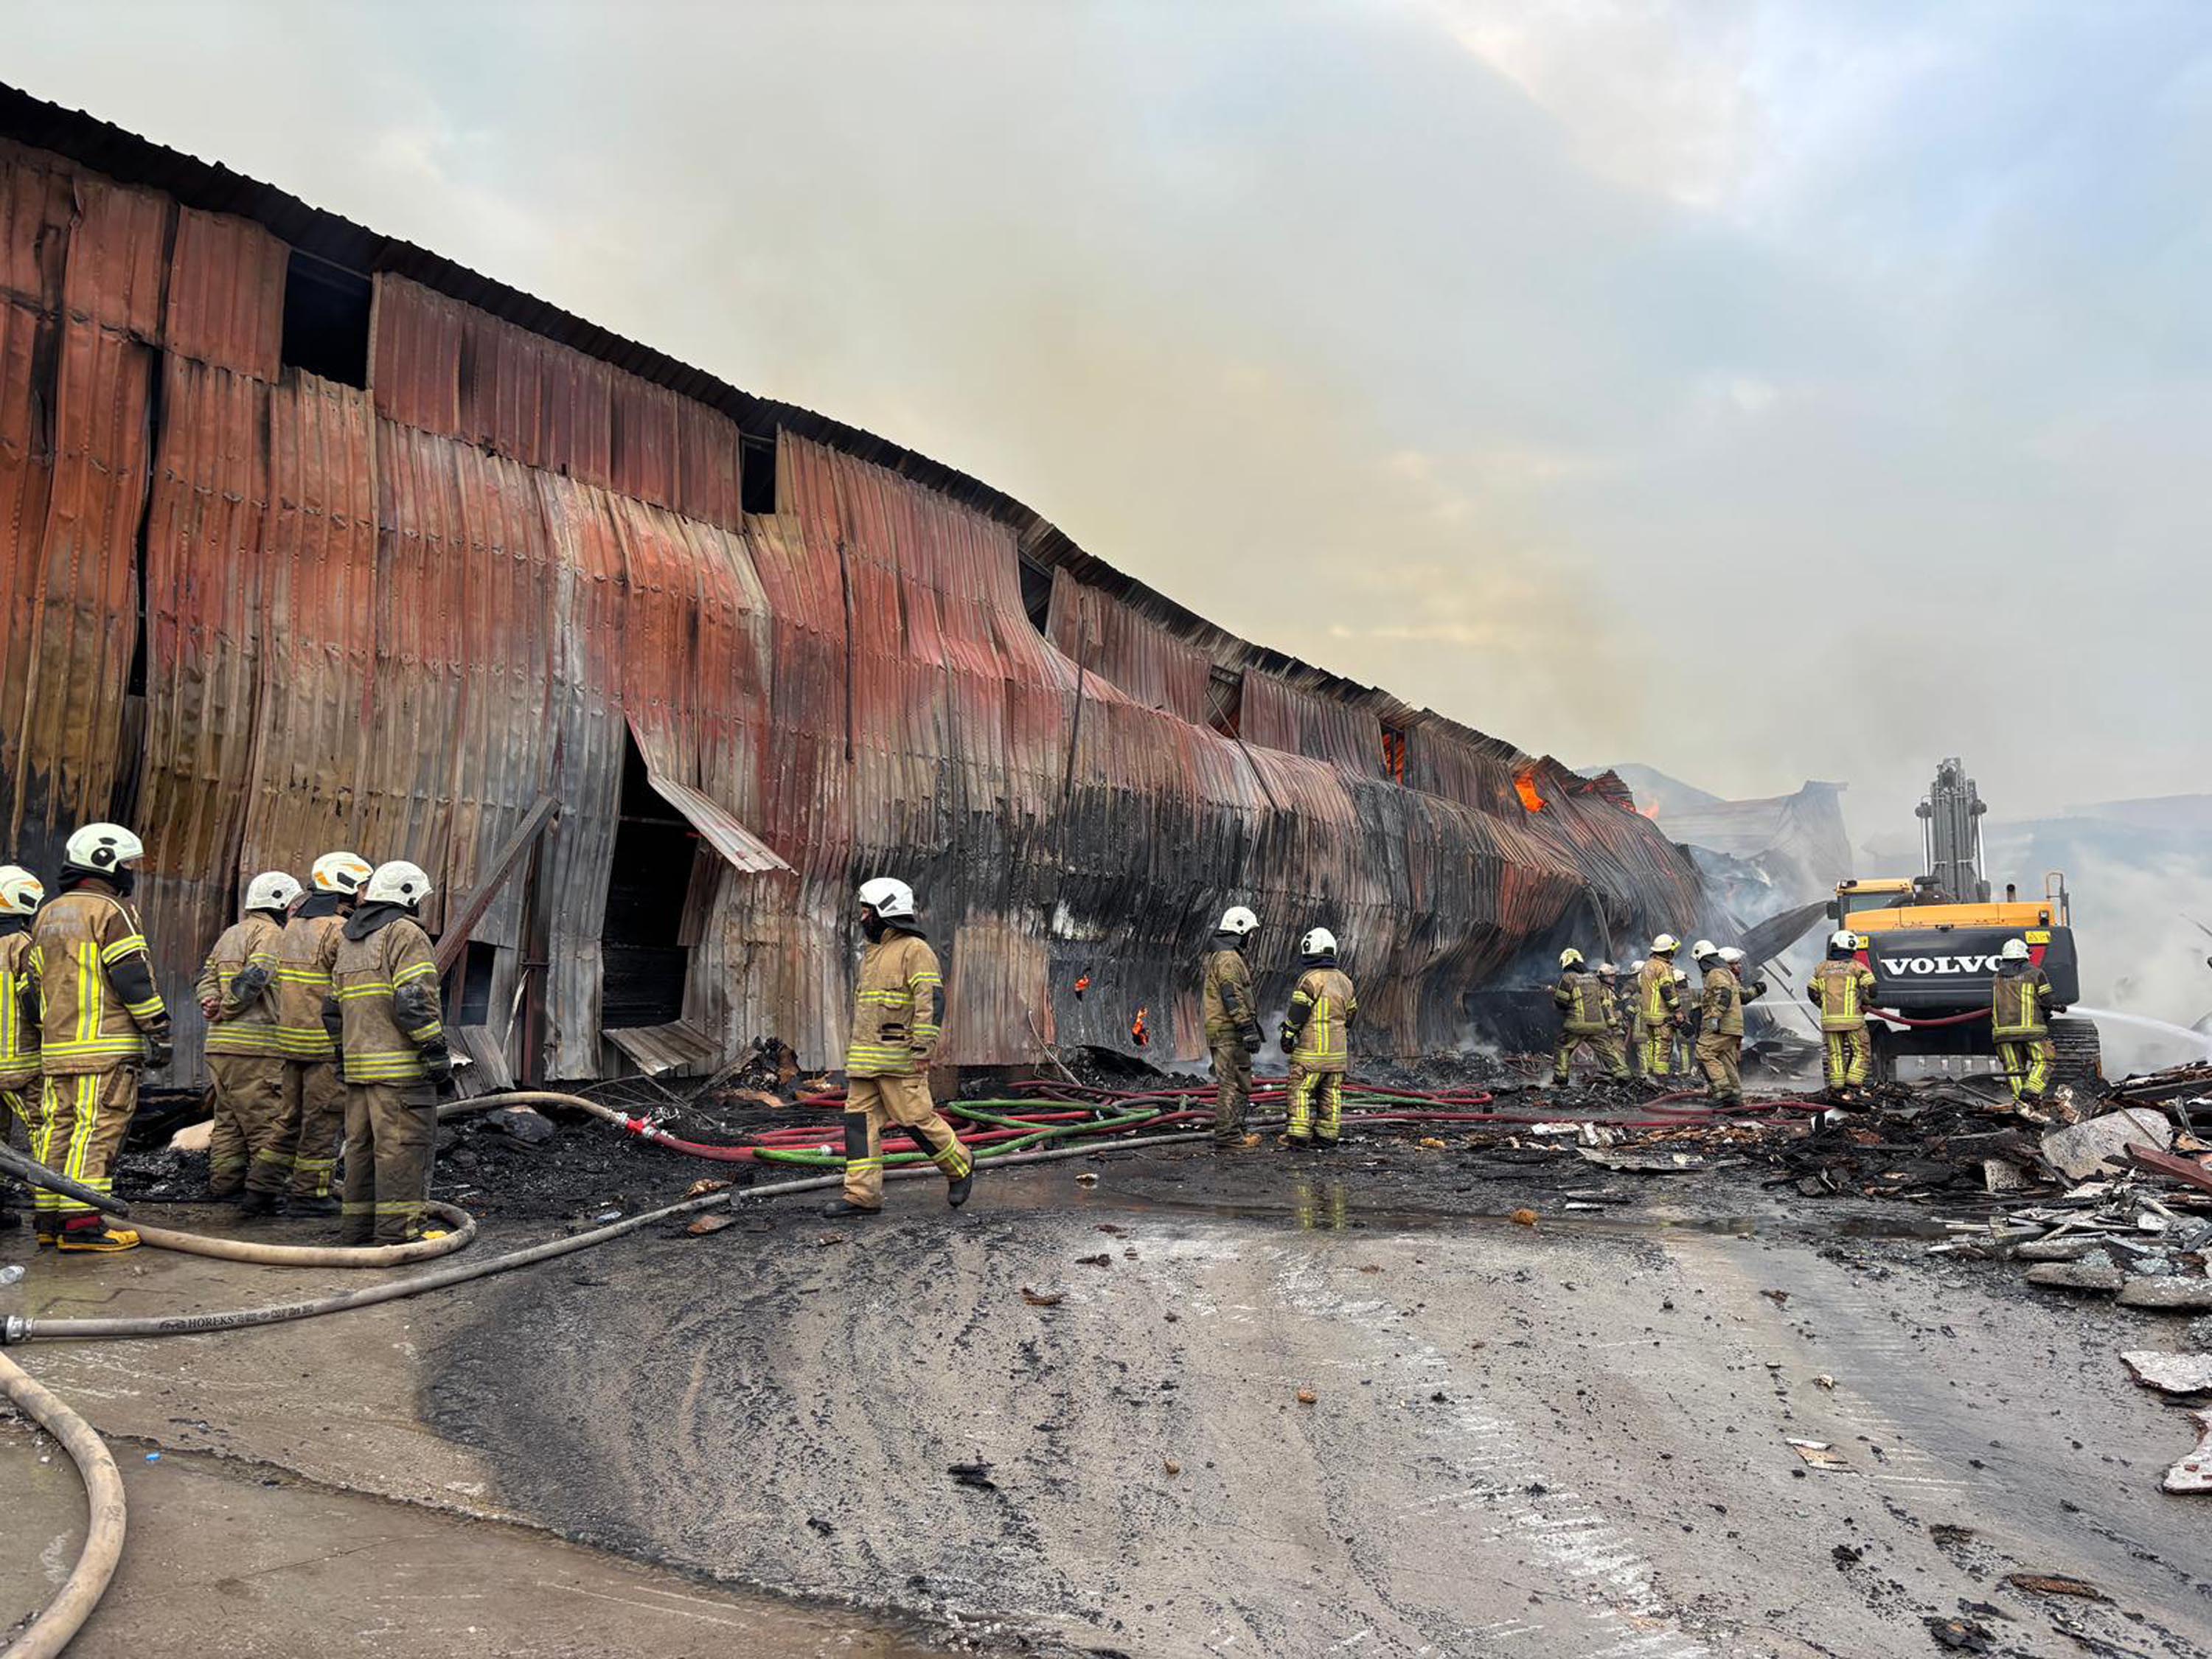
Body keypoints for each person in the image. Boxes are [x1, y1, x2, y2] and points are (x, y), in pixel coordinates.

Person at [32, 824, 169, 1251]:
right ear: (106, 862)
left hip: (57, 1049)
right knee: (96, 1130)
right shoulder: (112, 911)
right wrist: (158, 1027)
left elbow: (35, 983)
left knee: (58, 1129)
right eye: (127, 864)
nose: (131, 872)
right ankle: (82, 1226)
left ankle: (49, 1219)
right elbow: (131, 977)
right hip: (104, 1049)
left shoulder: (48, 914)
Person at [825, 877, 973, 1217]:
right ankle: (862, 1195)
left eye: (867, 912)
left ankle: (960, 1164)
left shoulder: (915, 951)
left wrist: (923, 1049)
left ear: (884, 912)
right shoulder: (873, 955)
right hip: (864, 1063)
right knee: (859, 1128)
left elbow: (930, 1002)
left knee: (916, 1120)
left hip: (900, 1059)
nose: (862, 918)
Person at [324, 860, 450, 1245]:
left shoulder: (349, 938)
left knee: (361, 1151)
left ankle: (357, 1230)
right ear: (408, 895)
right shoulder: (405, 934)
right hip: (400, 1074)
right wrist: (434, 1050)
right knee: (401, 1150)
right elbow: (413, 1000)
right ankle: (398, 1234)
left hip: (360, 1071)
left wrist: (344, 1056)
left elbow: (331, 1009)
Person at [274, 852, 372, 1214]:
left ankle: (262, 1187)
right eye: (362, 885)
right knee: (323, 1119)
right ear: (344, 884)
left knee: (288, 1119)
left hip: (290, 1041)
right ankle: (309, 1195)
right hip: (323, 1044)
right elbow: (347, 986)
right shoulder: (337, 929)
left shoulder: (294, 925)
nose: (365, 893)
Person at [198, 871, 302, 1212]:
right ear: (282, 903)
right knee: (265, 1121)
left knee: (228, 1119)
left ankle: (225, 1185)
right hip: (255, 1047)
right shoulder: (271, 934)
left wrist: (211, 1003)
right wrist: (227, 1007)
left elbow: (206, 977)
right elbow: (257, 975)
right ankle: (266, 1193)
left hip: (220, 1047)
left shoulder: (231, 933)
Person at [1281, 928, 1357, 1149]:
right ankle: (1327, 1136)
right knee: (1331, 1093)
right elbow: (1351, 1014)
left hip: (1311, 1054)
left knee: (1301, 1089)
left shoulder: (1309, 980)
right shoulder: (1345, 981)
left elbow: (1298, 1012)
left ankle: (1298, 1135)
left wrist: (1288, 1035)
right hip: (1337, 1056)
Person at [0, 866, 44, 1231]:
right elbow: (34, 1003)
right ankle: (52, 1208)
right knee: (44, 1132)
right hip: (21, 1065)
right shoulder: (24, 948)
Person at [1201, 905, 1264, 1148]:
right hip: (1230, 1032)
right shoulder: (1228, 959)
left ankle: (1235, 1131)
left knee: (1237, 1081)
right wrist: (1247, 1028)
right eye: (1249, 932)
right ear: (1240, 930)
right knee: (1233, 1083)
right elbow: (1232, 996)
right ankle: (1229, 1137)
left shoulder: (1228, 956)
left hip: (1227, 1031)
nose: (1250, 937)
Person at [1807, 931, 1878, 1099]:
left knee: (1835, 1054)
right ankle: (1853, 1085)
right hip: (1853, 1020)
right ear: (1852, 947)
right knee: (1861, 1051)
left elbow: (1811, 992)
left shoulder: (1821, 968)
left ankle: (1838, 1089)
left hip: (1829, 1021)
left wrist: (1824, 1007)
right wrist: (1865, 1001)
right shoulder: (1856, 967)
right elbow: (1873, 990)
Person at [1991, 936, 2058, 1105]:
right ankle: (2031, 1092)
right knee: (2044, 1061)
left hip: (2002, 1033)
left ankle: (2021, 1104)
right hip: (2031, 1030)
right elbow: (2048, 1000)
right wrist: (2054, 1007)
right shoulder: (2035, 974)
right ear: (2025, 955)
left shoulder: (1996, 978)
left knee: (2013, 1069)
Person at [1552, 947, 1627, 1085]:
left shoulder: (1568, 978)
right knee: (1607, 1050)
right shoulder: (1594, 979)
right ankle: (1624, 1076)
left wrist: (1563, 1009)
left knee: (1562, 1046)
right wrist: (1612, 1024)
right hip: (1598, 1025)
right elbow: (1603, 1003)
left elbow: (1561, 1000)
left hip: (1577, 1025)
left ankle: (1560, 1079)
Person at [1691, 940, 1747, 1106]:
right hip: (1732, 1026)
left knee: (1704, 1052)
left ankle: (1724, 1093)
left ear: (1703, 959)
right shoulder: (1725, 972)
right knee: (1725, 1058)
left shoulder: (1715, 973)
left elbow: (1723, 994)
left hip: (1722, 1025)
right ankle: (1735, 1097)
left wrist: (1715, 1017)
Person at [1634, 938, 1683, 1078]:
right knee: (1663, 1046)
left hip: (1647, 1015)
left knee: (1651, 1046)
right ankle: (1661, 1077)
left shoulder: (1646, 966)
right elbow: (1667, 989)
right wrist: (1677, 1010)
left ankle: (1649, 1077)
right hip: (1662, 1015)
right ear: (1668, 952)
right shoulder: (1663, 967)